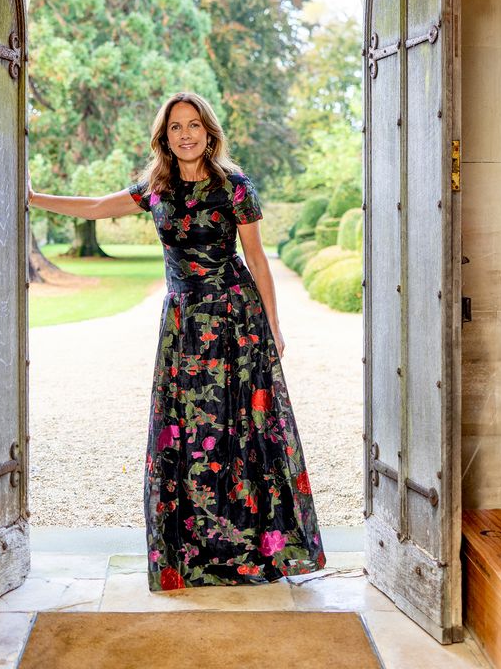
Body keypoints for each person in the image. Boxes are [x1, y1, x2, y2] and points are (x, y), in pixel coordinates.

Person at [29, 91, 326, 590]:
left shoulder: (236, 188)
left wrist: (274, 327)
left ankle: (248, 548)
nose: (185, 134)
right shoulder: (156, 187)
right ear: (164, 137)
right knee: (187, 434)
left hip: (235, 322)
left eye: (193, 125)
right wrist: (35, 198)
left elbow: (257, 260)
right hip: (184, 326)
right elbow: (99, 207)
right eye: (175, 127)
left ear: (209, 133)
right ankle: (194, 551)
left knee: (241, 432)